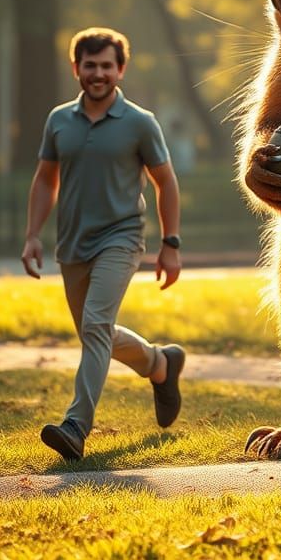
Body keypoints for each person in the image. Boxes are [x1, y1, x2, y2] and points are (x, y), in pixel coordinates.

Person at [21, 27, 187, 461]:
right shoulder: (59, 120)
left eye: (107, 66)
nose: (98, 74)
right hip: (72, 243)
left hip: (121, 238)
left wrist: (170, 243)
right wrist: (33, 235)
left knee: (95, 326)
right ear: (76, 68)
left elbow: (165, 182)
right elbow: (45, 180)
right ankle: (160, 364)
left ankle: (76, 426)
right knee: (97, 332)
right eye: (90, 65)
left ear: (121, 69)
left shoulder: (140, 122)